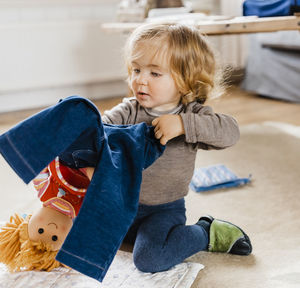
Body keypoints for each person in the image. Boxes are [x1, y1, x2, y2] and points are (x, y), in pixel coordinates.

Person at [98, 22, 252, 273]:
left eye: (154, 73)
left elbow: (230, 132)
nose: (140, 80)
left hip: (163, 210)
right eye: (136, 70)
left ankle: (205, 232)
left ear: (185, 80)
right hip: (121, 204)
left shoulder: (192, 115)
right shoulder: (129, 110)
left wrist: (182, 124)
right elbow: (99, 128)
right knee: (75, 231)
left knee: (149, 259)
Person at [0, 96, 165, 281]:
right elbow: (102, 193)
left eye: (40, 232)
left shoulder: (44, 190)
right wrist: (98, 178)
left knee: (77, 114)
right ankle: (141, 141)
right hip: (105, 159)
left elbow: (42, 161)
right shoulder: (81, 212)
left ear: (27, 221)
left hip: (72, 152)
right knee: (135, 158)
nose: (50, 230)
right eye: (55, 238)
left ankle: (14, 142)